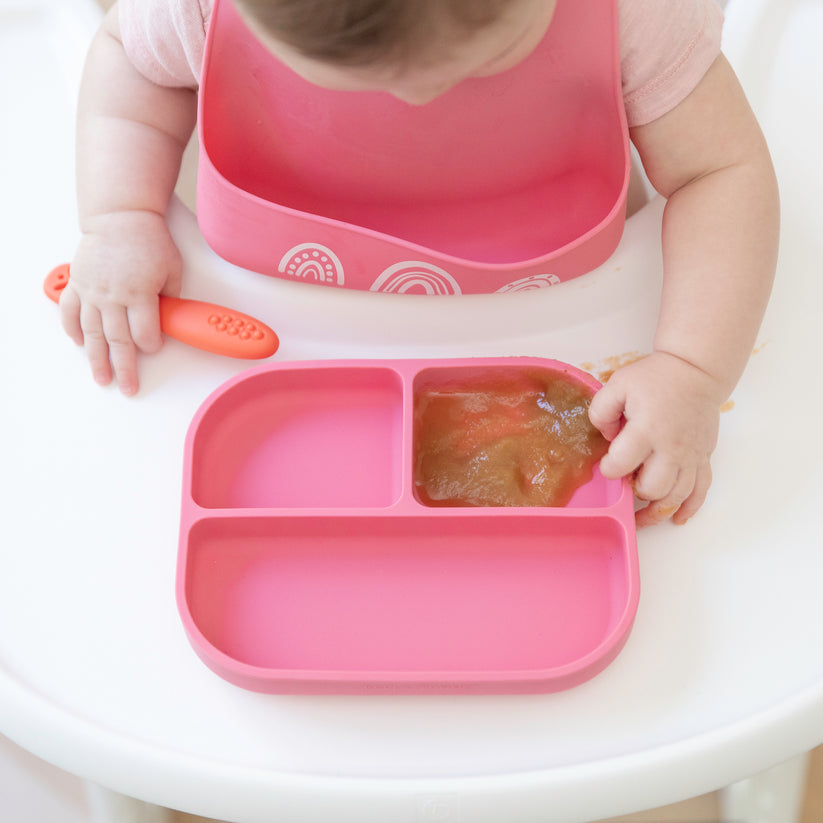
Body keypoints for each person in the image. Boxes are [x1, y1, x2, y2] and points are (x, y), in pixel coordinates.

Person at [61, 0, 779, 526]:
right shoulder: (196, 9)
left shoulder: (637, 15)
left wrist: (691, 368)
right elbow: (131, 65)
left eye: (480, 61)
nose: (416, 98)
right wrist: (121, 217)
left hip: (563, 289)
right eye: (352, 74)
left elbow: (719, 171)